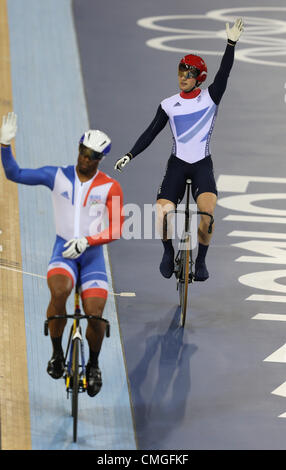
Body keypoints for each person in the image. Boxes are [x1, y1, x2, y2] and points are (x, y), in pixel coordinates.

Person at [0, 112, 124, 397]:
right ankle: (57, 354)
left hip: (92, 255)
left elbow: (117, 228)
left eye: (92, 155)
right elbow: (15, 174)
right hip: (64, 250)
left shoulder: (110, 187)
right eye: (82, 151)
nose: (85, 158)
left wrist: (89, 240)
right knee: (60, 291)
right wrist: (4, 146)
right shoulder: (56, 175)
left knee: (94, 315)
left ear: (100, 159)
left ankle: (92, 364)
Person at [115, 18, 244, 281]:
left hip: (201, 165)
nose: (183, 78)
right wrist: (130, 154)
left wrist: (231, 44)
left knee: (207, 215)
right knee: (162, 213)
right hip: (177, 164)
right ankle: (167, 252)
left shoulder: (210, 97)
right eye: (180, 72)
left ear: (199, 78)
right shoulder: (168, 104)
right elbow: (151, 132)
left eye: (189, 74)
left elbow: (225, 72)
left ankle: (202, 262)